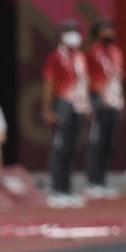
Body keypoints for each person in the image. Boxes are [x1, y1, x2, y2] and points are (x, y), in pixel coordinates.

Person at [43, 21, 92, 207]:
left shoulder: (80, 57)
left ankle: (67, 190)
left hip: (78, 106)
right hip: (62, 104)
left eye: (77, 31)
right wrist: (47, 110)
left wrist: (87, 107)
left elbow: (84, 83)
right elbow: (48, 83)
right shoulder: (56, 57)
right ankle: (56, 190)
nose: (74, 35)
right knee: (60, 148)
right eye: (70, 31)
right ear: (62, 35)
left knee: (71, 149)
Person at [86, 18, 125, 197]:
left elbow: (117, 78)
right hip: (98, 100)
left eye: (111, 29)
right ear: (97, 32)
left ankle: (102, 180)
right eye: (104, 29)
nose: (109, 33)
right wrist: (89, 103)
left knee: (109, 142)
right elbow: (86, 80)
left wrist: (120, 100)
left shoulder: (116, 53)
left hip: (113, 102)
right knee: (97, 143)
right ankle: (92, 182)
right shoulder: (93, 53)